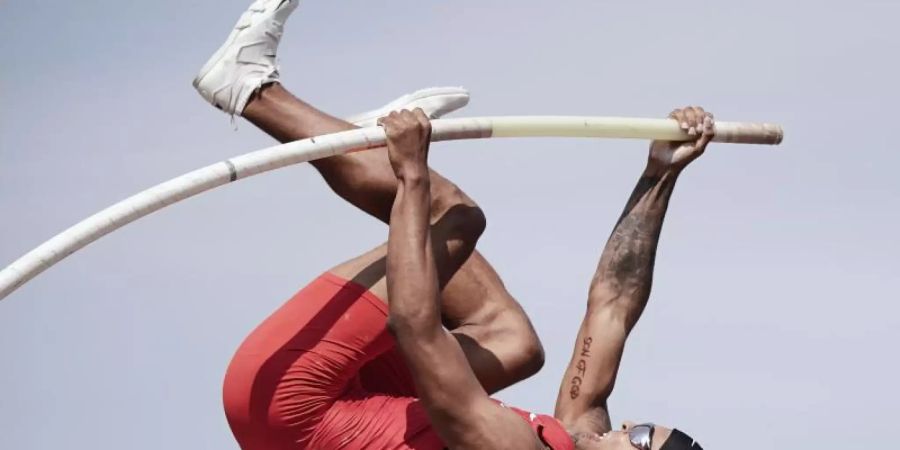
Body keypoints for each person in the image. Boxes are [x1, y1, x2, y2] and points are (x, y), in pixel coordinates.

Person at [193, 1, 705, 448]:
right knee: (514, 344)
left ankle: (249, 89)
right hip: (344, 406)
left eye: (640, 438)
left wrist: (412, 175)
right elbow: (613, 305)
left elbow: (415, 327)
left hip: (285, 399)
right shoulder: (579, 435)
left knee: (452, 218)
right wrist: (659, 175)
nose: (631, 422)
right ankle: (364, 145)